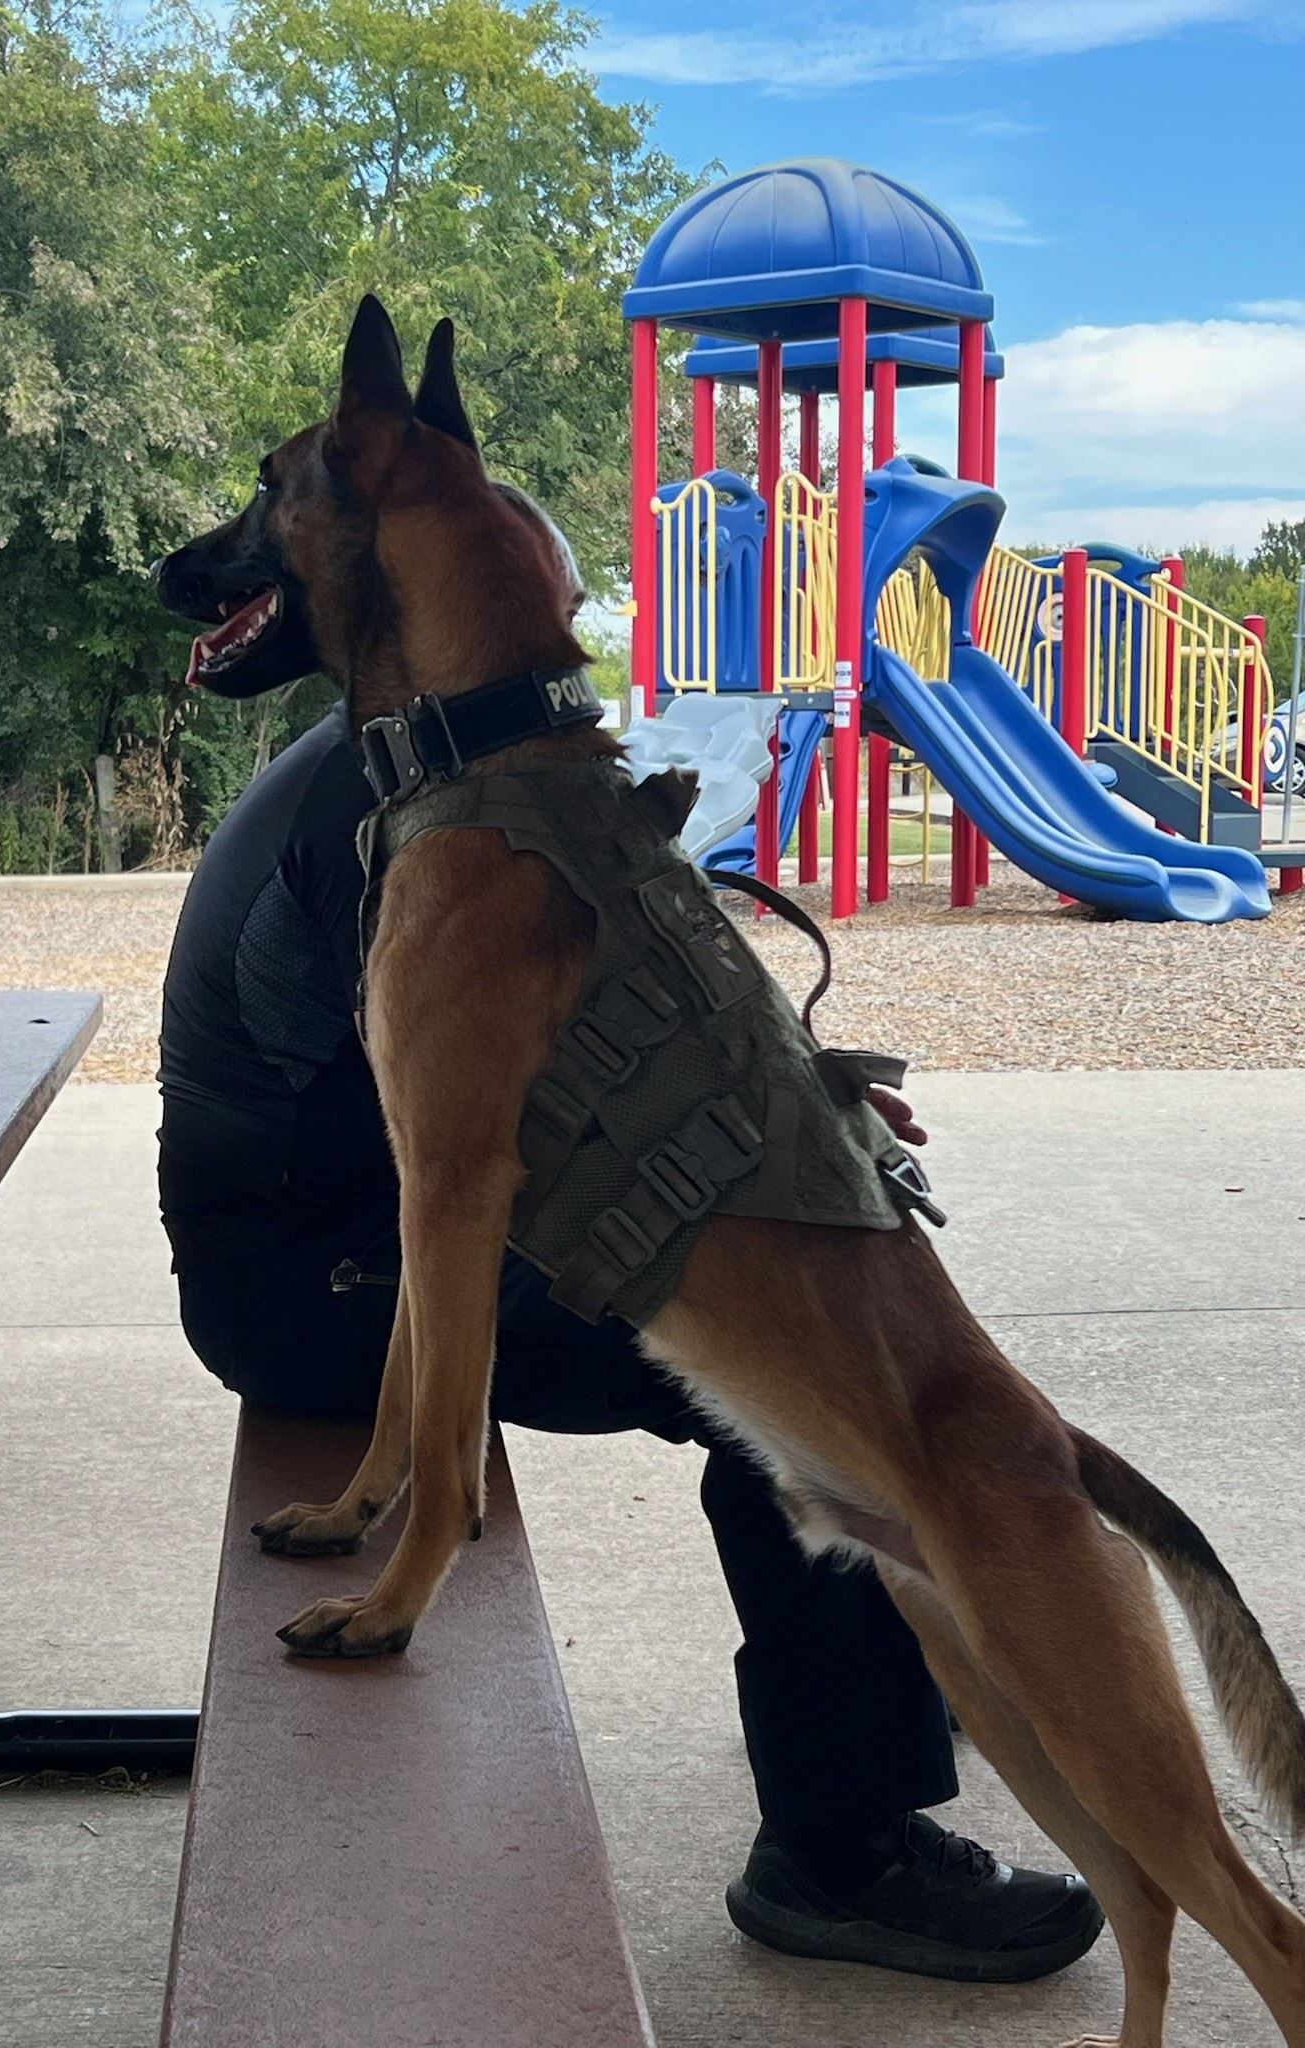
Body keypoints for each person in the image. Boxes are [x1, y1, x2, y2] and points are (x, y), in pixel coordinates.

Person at [156, 485, 1103, 1984]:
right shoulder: (416, 816)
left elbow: (598, 1021)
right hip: (309, 1281)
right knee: (787, 1394)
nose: (569, 659)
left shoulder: (424, 767)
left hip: (337, 1232)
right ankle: (843, 1849)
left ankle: (880, 1708)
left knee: (802, 1338)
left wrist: (790, 1098)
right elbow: (489, 1136)